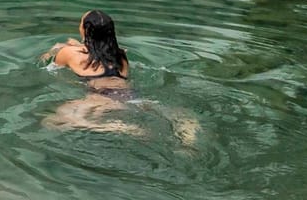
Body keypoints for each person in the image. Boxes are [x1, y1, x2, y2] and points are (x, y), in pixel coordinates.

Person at [40, 9, 197, 143]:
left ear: (85, 30)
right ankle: (188, 139)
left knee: (51, 123)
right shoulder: (121, 55)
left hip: (99, 98)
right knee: (181, 117)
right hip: (131, 96)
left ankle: (114, 127)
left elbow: (55, 69)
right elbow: (97, 50)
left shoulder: (67, 53)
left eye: (80, 23)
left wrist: (53, 51)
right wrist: (77, 45)